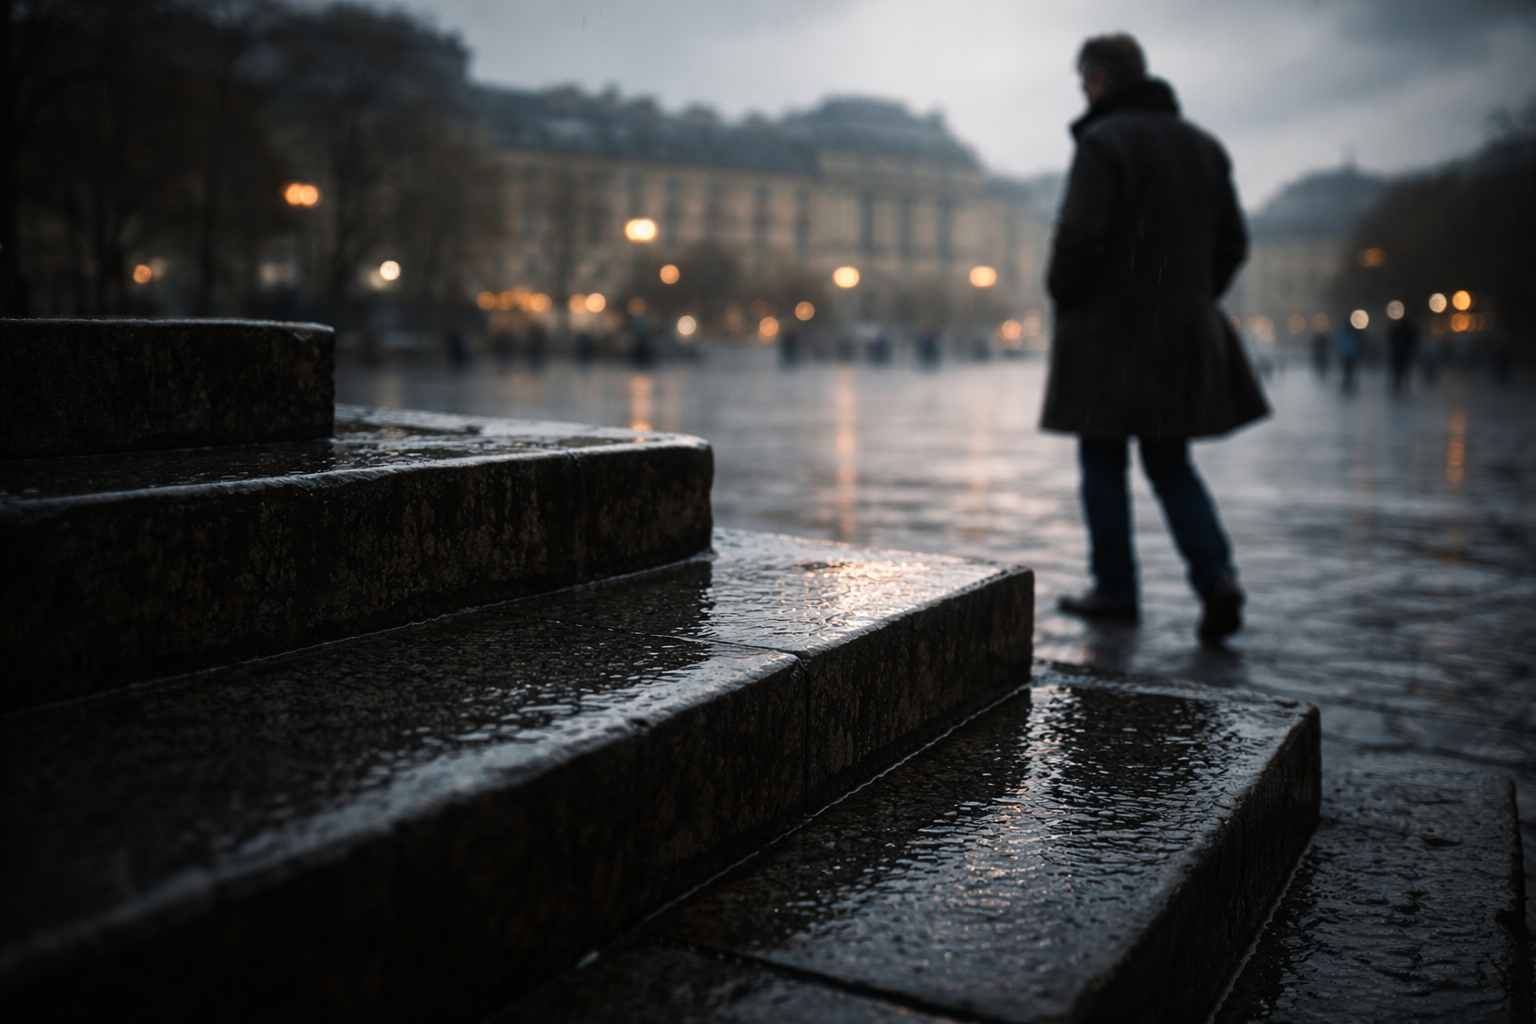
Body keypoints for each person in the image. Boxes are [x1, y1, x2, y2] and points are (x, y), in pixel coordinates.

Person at [1041, 34, 1268, 645]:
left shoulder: (1102, 141)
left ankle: (1115, 588)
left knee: (1102, 457)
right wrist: (1192, 295)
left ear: (1102, 78)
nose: (1083, 92)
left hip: (1108, 333)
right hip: (1181, 328)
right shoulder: (1204, 147)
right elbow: (1234, 244)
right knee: (1171, 462)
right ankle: (1215, 576)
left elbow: (1080, 236)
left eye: (1084, 81)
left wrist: (1065, 294)